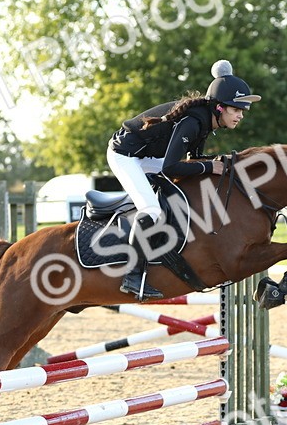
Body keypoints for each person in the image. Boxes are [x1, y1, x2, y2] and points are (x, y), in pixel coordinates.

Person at [107, 59, 258, 300]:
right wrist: (209, 165)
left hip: (147, 156)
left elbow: (191, 160)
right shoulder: (193, 122)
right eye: (236, 109)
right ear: (219, 107)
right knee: (151, 210)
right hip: (125, 156)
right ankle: (132, 276)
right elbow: (171, 168)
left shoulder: (206, 122)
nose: (240, 115)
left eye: (242, 111)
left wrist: (218, 163)